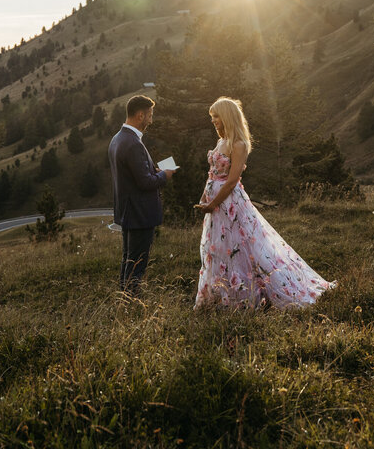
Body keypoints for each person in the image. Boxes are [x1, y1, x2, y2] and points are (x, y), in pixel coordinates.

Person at [194, 97, 335, 309]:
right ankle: (220, 293)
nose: (213, 121)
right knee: (219, 248)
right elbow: (213, 174)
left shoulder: (239, 144)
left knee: (242, 246)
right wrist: (206, 198)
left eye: (216, 117)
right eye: (212, 117)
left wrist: (213, 202)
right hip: (215, 204)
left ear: (227, 118)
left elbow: (232, 180)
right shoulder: (221, 142)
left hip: (229, 203)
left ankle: (246, 295)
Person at [109, 94, 175, 295]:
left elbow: (133, 174)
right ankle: (132, 298)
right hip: (140, 212)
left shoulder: (117, 138)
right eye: (150, 115)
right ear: (139, 115)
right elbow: (145, 182)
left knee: (128, 257)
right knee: (137, 260)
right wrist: (165, 174)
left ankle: (124, 295)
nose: (151, 120)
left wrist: (152, 170)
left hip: (128, 210)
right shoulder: (133, 143)